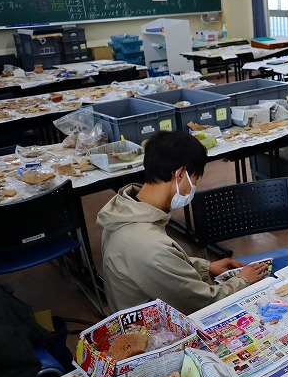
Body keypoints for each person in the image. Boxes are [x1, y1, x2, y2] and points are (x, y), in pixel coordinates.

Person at [98, 131, 269, 314]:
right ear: (180, 174)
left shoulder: (124, 211)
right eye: (195, 179)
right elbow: (203, 302)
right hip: (153, 331)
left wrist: (206, 267)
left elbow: (158, 269)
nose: (194, 187)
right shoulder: (150, 245)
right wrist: (242, 281)